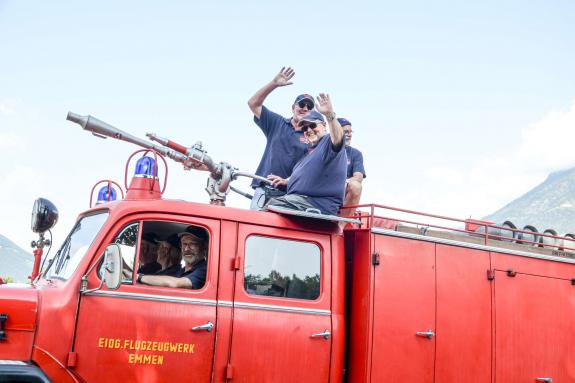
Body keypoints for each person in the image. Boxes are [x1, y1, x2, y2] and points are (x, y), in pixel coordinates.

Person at [266, 94, 347, 216]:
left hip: (316, 204)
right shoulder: (309, 153)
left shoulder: (327, 143)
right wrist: (286, 181)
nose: (308, 130)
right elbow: (305, 175)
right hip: (300, 201)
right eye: (305, 128)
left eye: (313, 125)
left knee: (269, 206)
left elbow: (338, 138)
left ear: (324, 126)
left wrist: (330, 115)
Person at [247, 66, 313, 210]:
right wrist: (274, 84)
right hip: (265, 188)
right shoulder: (277, 122)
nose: (305, 108)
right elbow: (253, 103)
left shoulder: (313, 135)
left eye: (310, 107)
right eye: (302, 104)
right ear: (293, 107)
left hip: (292, 195)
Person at [131, 227, 208, 289]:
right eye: (184, 244)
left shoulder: (204, 270)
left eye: (192, 244)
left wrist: (138, 277)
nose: (186, 249)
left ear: (204, 247)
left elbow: (176, 283)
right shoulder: (180, 271)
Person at [338, 118, 366, 216]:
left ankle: (340, 225)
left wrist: (342, 183)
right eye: (346, 131)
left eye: (350, 132)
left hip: (342, 191)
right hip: (323, 190)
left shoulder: (355, 154)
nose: (349, 134)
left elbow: (358, 177)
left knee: (356, 186)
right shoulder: (324, 148)